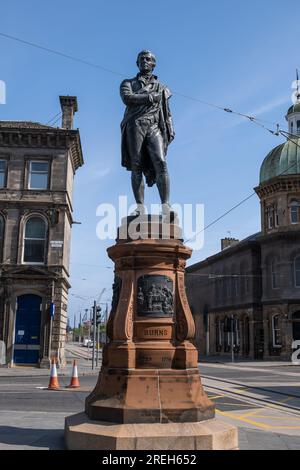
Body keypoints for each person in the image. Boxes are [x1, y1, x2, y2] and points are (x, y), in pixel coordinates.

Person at [120, 50, 175, 217]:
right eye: (141, 59)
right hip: (134, 125)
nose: (144, 61)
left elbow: (167, 111)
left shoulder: (163, 88)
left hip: (153, 126)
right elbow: (128, 98)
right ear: (137, 63)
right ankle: (140, 206)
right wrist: (151, 98)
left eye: (148, 59)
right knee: (136, 165)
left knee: (161, 162)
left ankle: (165, 205)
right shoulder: (127, 83)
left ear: (153, 64)